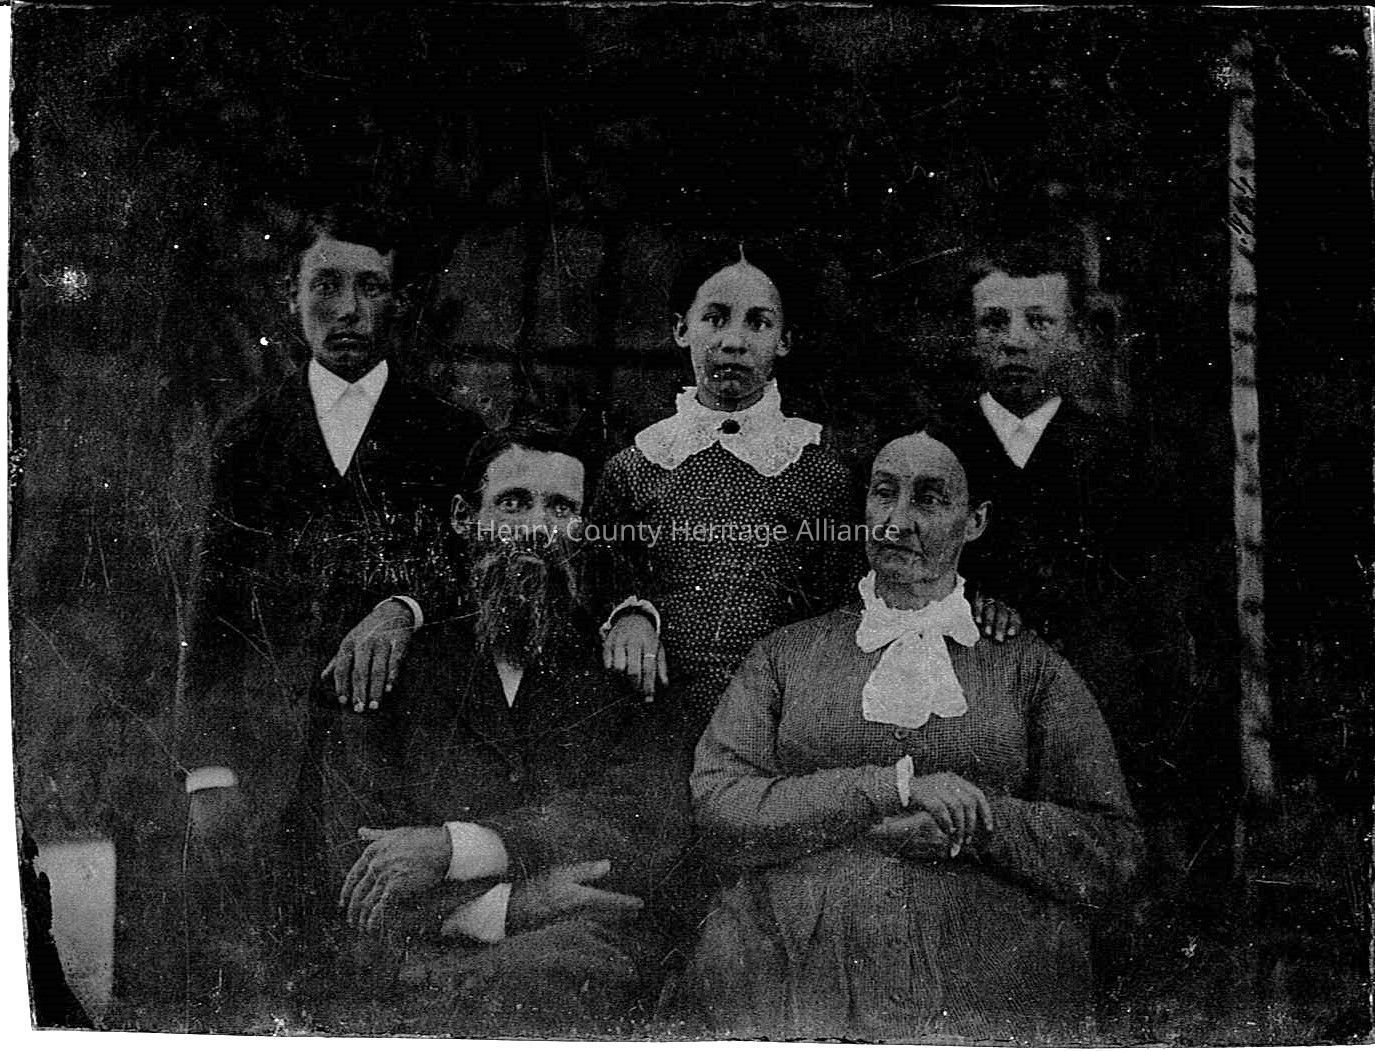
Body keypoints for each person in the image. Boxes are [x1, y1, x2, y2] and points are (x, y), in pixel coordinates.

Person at [681, 428, 1143, 1041]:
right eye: (883, 494)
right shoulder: (785, 655)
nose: (896, 522)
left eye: (928, 499)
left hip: (988, 980)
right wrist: (890, 789)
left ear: (974, 522)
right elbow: (719, 804)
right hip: (792, 971)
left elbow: (1113, 850)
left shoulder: (1029, 667)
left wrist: (975, 825)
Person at [314, 422, 686, 1034]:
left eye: (561, 508)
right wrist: (514, 905)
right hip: (412, 974)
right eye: (513, 503)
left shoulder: (626, 662)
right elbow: (355, 859)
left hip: (578, 972)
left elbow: (644, 823)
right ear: (466, 518)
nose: (537, 527)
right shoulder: (386, 662)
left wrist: (460, 848)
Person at [176, 207, 485, 912]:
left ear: (398, 300)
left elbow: (478, 577)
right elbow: (212, 609)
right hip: (265, 768)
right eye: (325, 284)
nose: (348, 309)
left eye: (371, 286)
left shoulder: (451, 435)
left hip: (400, 766)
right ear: (291, 296)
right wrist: (207, 770)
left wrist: (407, 607)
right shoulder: (246, 439)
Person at [591, 240, 861, 739]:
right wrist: (628, 615)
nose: (734, 341)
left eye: (758, 323)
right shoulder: (636, 465)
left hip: (779, 718)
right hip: (658, 714)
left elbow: (845, 605)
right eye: (715, 319)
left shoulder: (820, 471)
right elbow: (600, 580)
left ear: (784, 339)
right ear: (681, 329)